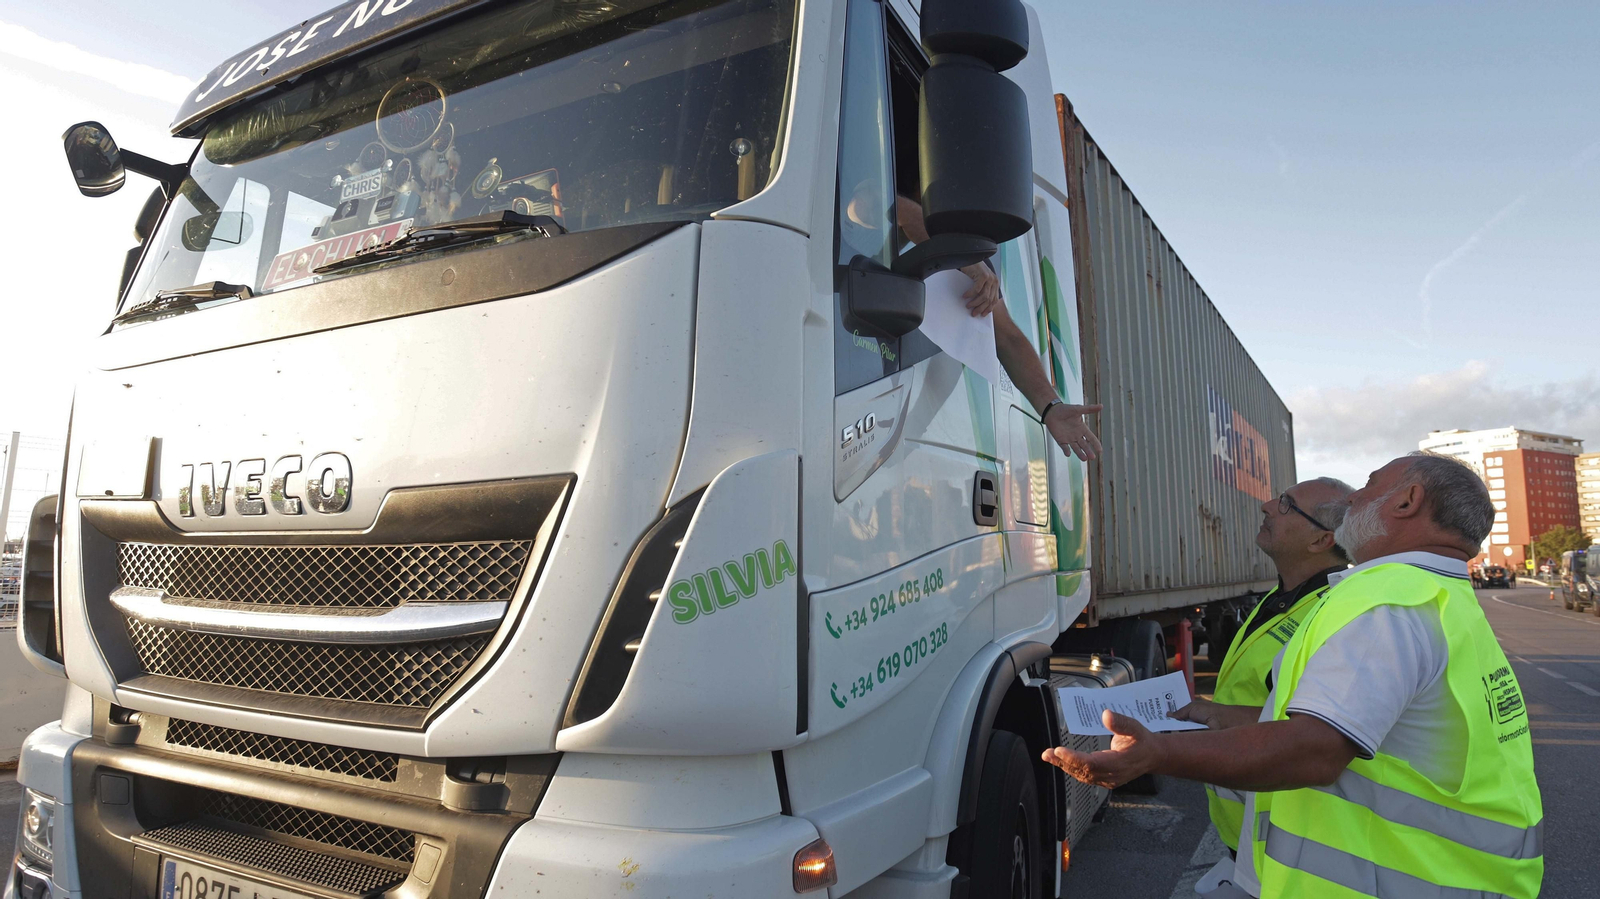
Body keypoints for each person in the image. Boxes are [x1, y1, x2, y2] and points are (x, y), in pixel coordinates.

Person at [1042, 452, 1543, 898]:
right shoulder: (1439, 598)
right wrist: (1220, 717)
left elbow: (1315, 749)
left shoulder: (1387, 604)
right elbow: (1364, 730)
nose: (1354, 500)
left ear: (1407, 501)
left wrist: (1157, 755)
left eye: (1369, 484)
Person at [1172, 477, 1353, 862]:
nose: (1268, 505)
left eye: (1287, 504)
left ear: (1321, 540)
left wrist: (1164, 750)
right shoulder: (1283, 596)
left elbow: (1318, 735)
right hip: (1247, 832)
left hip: (1284, 843)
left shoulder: (1336, 614)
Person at [891, 196, 1103, 461]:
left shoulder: (975, 263)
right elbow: (877, 199)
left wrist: (1051, 406)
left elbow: (1006, 338)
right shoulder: (884, 180)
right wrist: (954, 252)